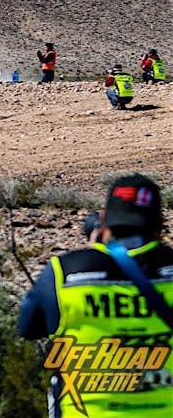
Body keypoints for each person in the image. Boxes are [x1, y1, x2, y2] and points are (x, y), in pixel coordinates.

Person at [19, 174, 173, 418]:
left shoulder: (64, 272)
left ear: (103, 221)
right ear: (159, 225)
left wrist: (92, 255)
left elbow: (28, 327)